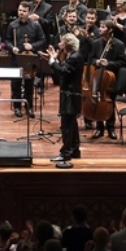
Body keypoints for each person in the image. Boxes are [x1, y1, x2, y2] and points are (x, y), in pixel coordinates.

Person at [47, 33, 85, 163]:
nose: (59, 44)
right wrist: (55, 59)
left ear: (68, 44)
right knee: (72, 124)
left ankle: (65, 153)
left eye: (62, 42)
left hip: (70, 95)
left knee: (67, 125)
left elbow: (63, 71)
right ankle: (74, 150)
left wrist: (52, 62)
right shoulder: (73, 55)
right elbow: (65, 69)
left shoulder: (74, 57)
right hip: (70, 94)